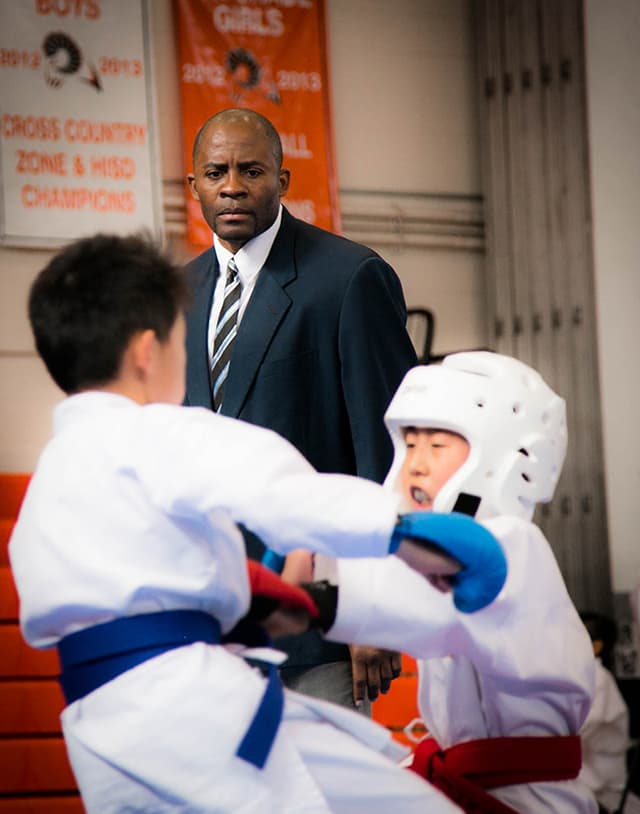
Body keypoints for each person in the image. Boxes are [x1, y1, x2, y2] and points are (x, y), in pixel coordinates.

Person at [9, 231, 484, 813]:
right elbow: (288, 495)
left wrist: (249, 596)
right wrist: (413, 532)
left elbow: (134, 578)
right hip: (193, 709)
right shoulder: (158, 431)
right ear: (146, 351)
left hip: (100, 729)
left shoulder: (55, 474)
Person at [184, 107, 418, 711]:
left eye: (250, 170)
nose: (231, 185)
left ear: (283, 182)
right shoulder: (176, 295)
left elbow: (388, 453)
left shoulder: (348, 278)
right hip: (209, 628)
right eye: (215, 172)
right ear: (194, 186)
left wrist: (371, 604)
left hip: (319, 627)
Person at [319, 351, 599, 812]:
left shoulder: (511, 547)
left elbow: (433, 572)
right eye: (410, 444)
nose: (416, 464)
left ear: (507, 459)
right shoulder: (440, 554)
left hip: (527, 798)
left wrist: (314, 585)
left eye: (437, 446)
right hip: (468, 786)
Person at [579, 611, 630, 813]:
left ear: (596, 647)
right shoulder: (585, 677)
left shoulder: (599, 679)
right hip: (590, 780)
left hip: (602, 788)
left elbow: (582, 727)